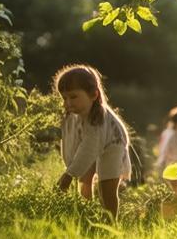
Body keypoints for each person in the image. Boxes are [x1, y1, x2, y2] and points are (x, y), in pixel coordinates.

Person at [55, 64, 130, 218]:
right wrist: (71, 168)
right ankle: (88, 215)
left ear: (94, 95)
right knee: (85, 181)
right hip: (95, 144)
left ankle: (110, 222)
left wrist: (69, 175)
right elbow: (71, 143)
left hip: (113, 143)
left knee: (106, 189)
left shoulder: (98, 120)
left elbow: (89, 148)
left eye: (74, 96)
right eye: (65, 97)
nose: (68, 102)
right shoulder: (72, 116)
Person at [154, 106, 177, 175]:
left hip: (167, 164)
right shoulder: (173, 135)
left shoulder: (168, 132)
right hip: (170, 166)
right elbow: (170, 152)